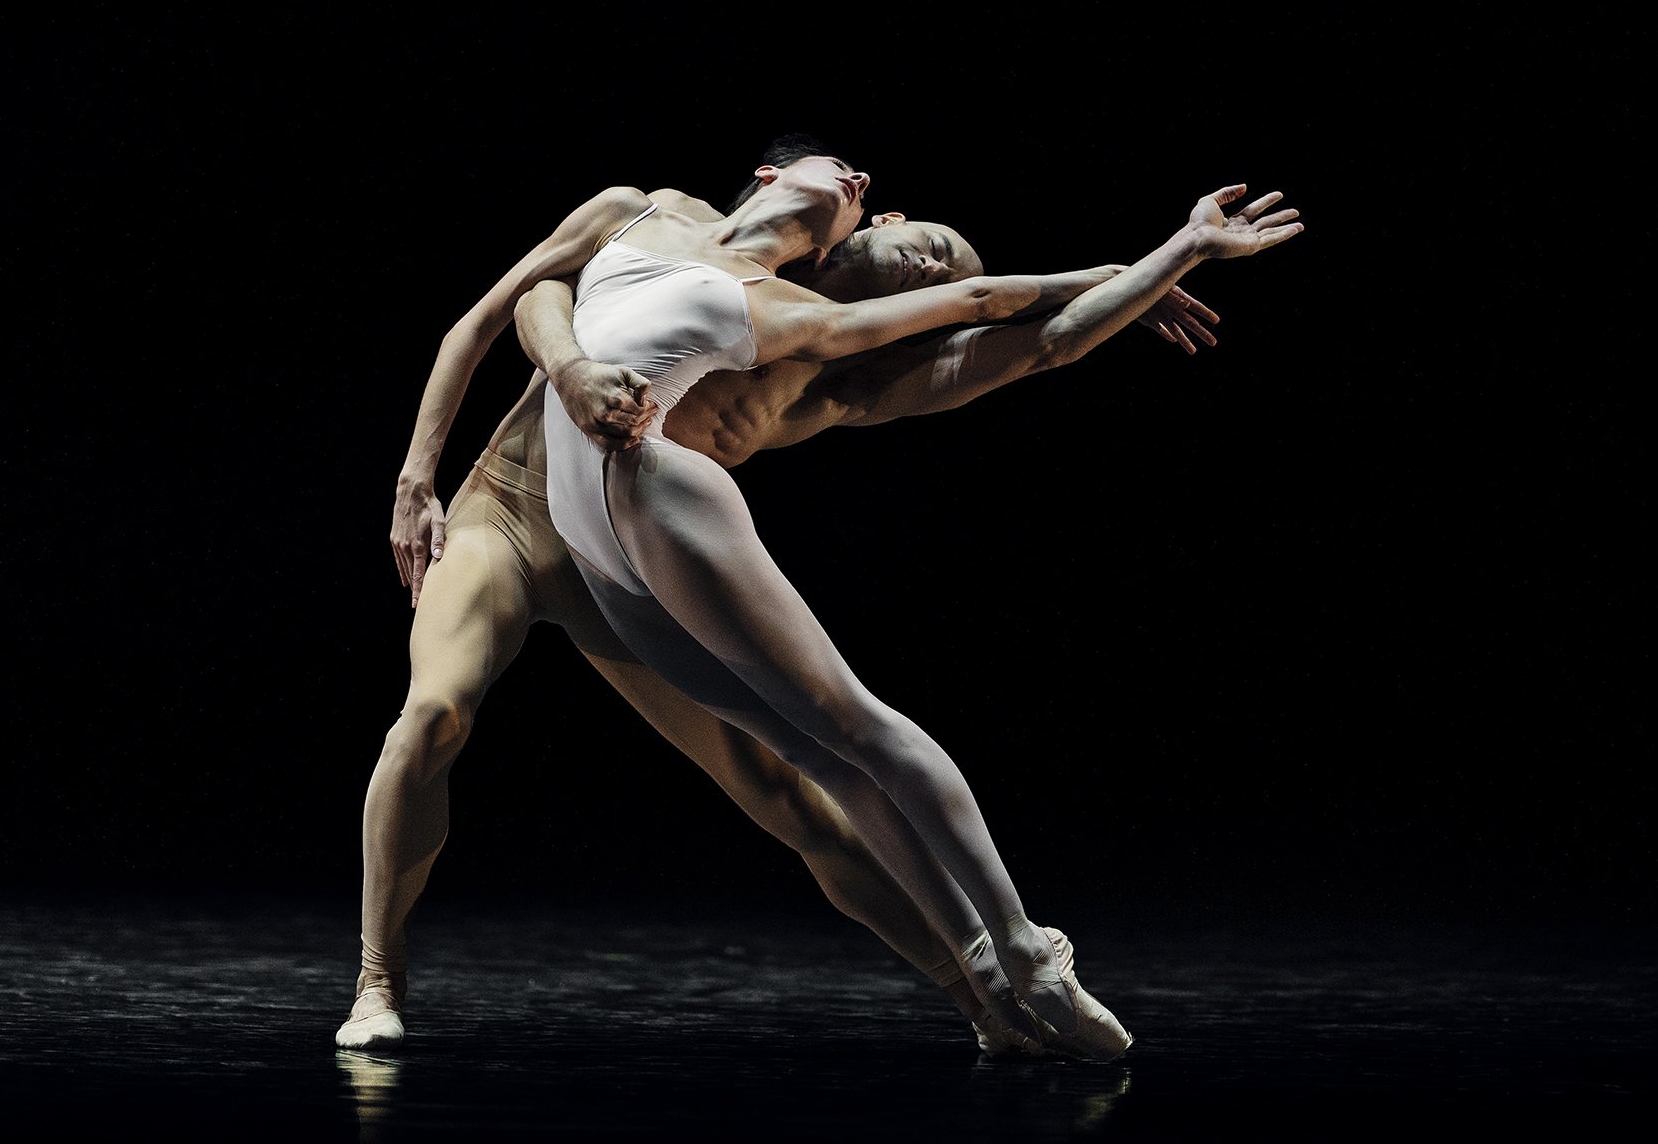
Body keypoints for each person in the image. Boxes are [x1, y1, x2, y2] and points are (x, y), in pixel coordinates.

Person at [340, 139, 1288, 1056]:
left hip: (621, 554)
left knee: (789, 781)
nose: (927, 267)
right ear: (875, 218)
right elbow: (529, 298)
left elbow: (1026, 331)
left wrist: (1141, 276)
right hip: (507, 511)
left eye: (934, 277)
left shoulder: (832, 376)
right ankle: (377, 976)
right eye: (924, 241)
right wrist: (417, 475)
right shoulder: (652, 218)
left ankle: (988, 992)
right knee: (434, 710)